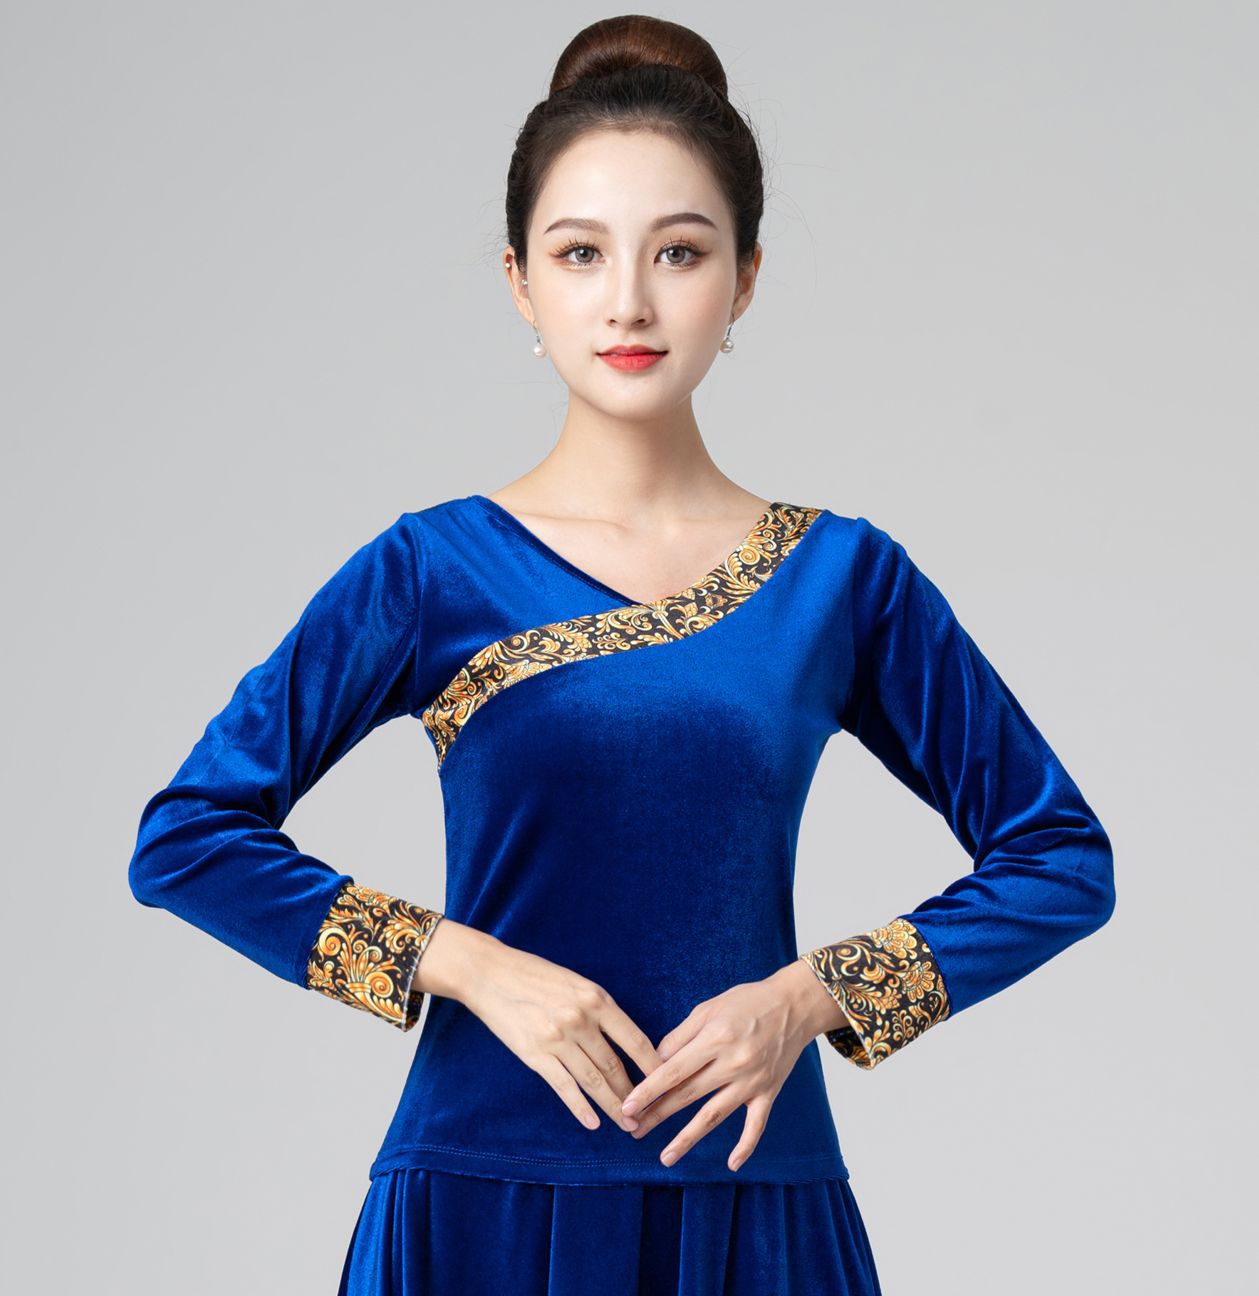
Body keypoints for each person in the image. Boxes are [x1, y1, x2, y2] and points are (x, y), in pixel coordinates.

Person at [127, 14, 1116, 1293]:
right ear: (518, 281)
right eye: (580, 252)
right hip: (476, 1204)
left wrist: (806, 998)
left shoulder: (838, 580)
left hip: (753, 1203)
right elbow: (188, 838)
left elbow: (1058, 859)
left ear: (744, 278)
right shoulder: (431, 570)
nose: (629, 302)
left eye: (679, 252)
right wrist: (470, 967)